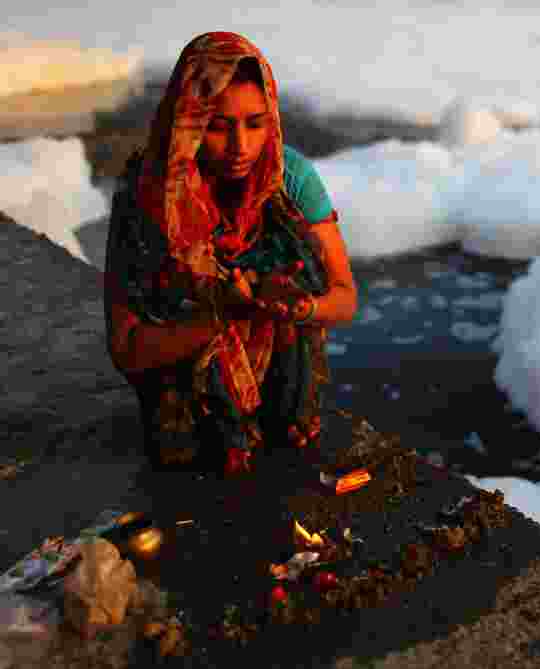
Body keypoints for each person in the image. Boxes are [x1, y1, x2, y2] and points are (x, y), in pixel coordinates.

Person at [103, 32, 358, 477]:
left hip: (283, 398)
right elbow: (128, 348)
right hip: (186, 415)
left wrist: (299, 306)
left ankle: (281, 415)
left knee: (294, 266)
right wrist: (221, 313)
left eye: (256, 123)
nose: (242, 146)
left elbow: (343, 300)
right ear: (188, 120)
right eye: (219, 127)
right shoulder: (149, 195)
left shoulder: (289, 177)